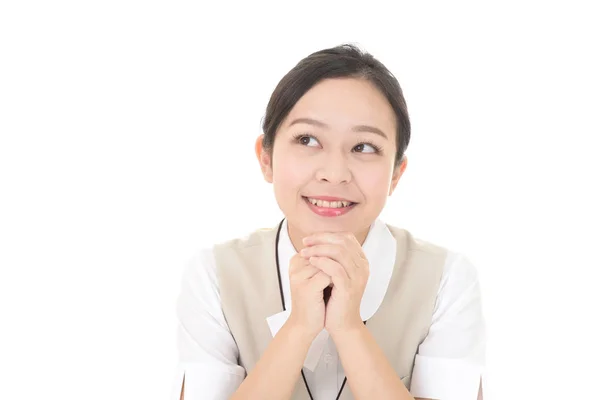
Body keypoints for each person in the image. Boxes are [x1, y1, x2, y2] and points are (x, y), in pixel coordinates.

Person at [171, 43, 486, 400]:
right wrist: (299, 328)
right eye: (307, 139)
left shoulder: (446, 278)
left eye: (364, 147)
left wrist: (349, 328)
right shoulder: (215, 274)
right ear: (266, 158)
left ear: (396, 174)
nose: (334, 174)